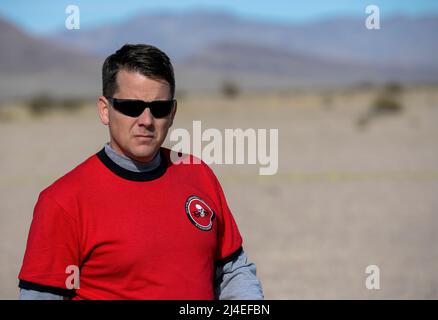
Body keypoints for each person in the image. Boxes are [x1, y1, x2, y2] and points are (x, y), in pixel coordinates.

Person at [18, 44, 264, 300]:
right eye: (131, 106)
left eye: (159, 108)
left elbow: (233, 271)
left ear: (173, 113)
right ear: (105, 109)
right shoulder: (63, 201)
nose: (146, 120)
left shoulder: (198, 173)